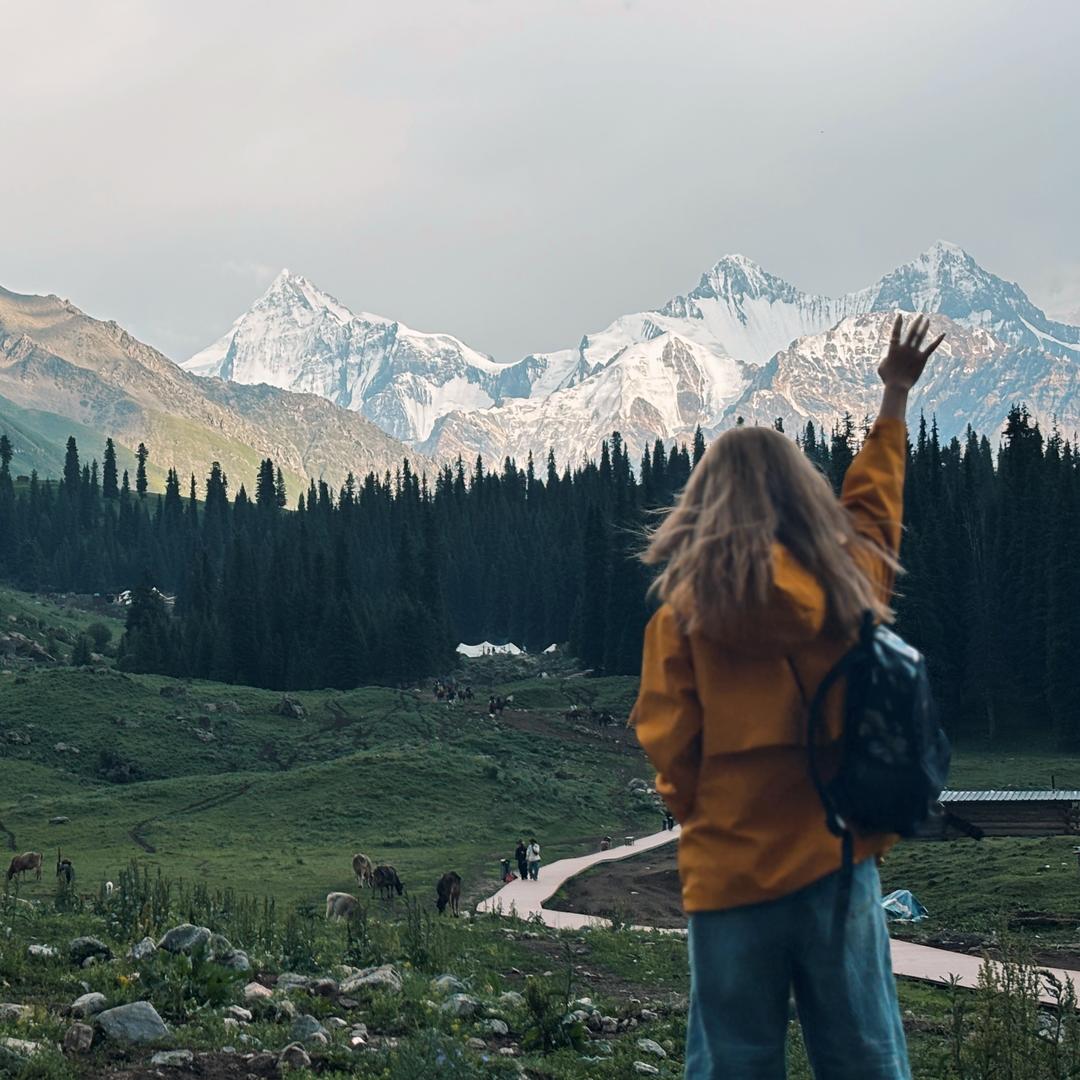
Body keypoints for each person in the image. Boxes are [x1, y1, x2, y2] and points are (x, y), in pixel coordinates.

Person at [632, 315, 943, 1080]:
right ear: (800, 495)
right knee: (864, 1055)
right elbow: (874, 512)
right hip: (835, 858)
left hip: (727, 871)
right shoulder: (845, 588)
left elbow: (669, 746)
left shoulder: (682, 618)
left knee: (733, 1060)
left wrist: (701, 810)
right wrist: (895, 391)